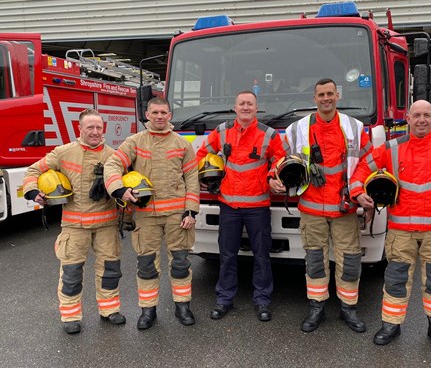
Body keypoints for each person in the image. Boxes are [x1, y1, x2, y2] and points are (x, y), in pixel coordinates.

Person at [351, 99, 431, 352]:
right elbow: (363, 168)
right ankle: (391, 325)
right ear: (407, 118)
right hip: (401, 231)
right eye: (416, 115)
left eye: (426, 115)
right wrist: (357, 192)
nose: (421, 120)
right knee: (396, 280)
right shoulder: (392, 148)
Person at [23, 109, 125, 334]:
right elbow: (33, 171)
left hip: (107, 225)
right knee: (71, 273)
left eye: (99, 127)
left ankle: (109, 310)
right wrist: (32, 192)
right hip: (74, 226)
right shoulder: (63, 153)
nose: (95, 132)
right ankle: (70, 316)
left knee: (110, 270)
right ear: (79, 129)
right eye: (90, 127)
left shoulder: (114, 156)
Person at [284, 78, 373, 333]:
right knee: (314, 259)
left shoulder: (354, 127)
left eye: (330, 94)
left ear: (338, 96)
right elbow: (281, 160)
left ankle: (348, 308)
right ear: (314, 98)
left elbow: (369, 160)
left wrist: (357, 189)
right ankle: (317, 306)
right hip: (311, 207)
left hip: (343, 207)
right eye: (321, 94)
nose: (326, 98)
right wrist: (274, 178)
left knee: (350, 260)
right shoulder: (297, 129)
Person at [104, 97, 200, 330]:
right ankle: (148, 311)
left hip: (178, 216)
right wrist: (119, 189)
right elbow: (113, 164)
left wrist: (191, 211)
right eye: (155, 112)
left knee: (180, 262)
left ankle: (183, 306)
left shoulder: (182, 144)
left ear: (170, 116)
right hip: (145, 215)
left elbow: (192, 179)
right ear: (147, 114)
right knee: (146, 264)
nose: (159, 116)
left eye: (163, 112)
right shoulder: (134, 142)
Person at [196, 90, 287, 322]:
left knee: (262, 256)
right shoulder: (222, 131)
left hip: (258, 206)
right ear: (235, 108)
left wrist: (273, 175)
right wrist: (206, 175)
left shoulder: (269, 134)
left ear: (256, 108)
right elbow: (201, 154)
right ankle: (224, 299)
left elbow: (280, 159)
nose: (246, 107)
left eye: (250, 104)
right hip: (229, 206)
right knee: (226, 256)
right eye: (242, 104)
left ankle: (262, 300)